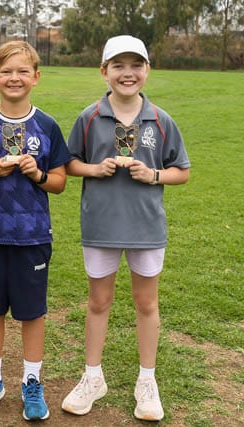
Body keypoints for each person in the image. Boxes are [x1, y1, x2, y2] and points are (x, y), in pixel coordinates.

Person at [60, 35, 191, 422]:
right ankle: (92, 377)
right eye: (118, 65)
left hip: (145, 228)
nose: (127, 73)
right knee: (98, 303)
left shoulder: (161, 120)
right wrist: (94, 168)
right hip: (100, 225)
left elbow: (181, 171)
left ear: (147, 70)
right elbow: (69, 163)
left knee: (146, 303)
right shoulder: (89, 117)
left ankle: (147, 381)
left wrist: (153, 175)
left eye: (136, 65)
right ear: (104, 71)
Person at [0, 41, 70, 421]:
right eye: (6, 71)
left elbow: (59, 182)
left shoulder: (47, 126)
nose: (14, 78)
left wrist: (36, 173)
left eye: (23, 71)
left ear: (36, 77)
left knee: (31, 312)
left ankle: (31, 381)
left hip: (32, 236)